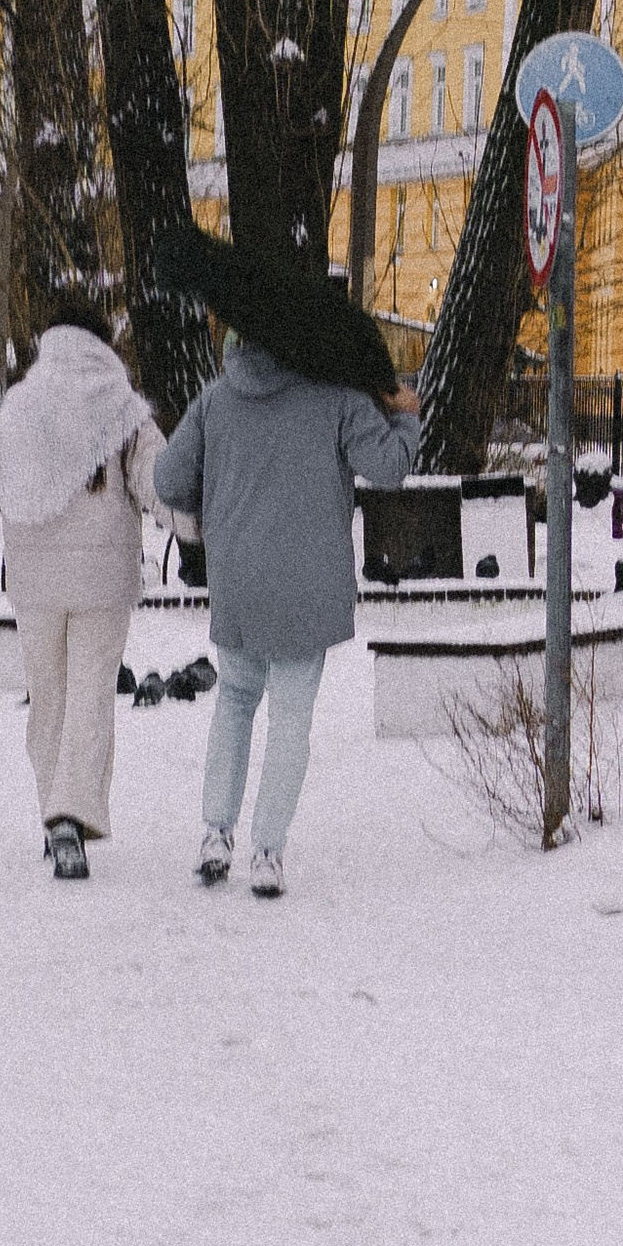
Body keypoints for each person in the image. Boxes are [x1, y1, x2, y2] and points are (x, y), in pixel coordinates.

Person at [153, 298, 418, 899]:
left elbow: (167, 481)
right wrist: (404, 415)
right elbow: (389, 468)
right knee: (291, 718)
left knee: (235, 703)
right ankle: (267, 851)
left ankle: (215, 833)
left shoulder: (214, 402)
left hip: (238, 579)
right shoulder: (338, 399)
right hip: (308, 585)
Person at [0, 298, 162, 881]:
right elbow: (158, 482)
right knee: (91, 695)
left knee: (49, 697)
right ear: (103, 344)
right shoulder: (124, 411)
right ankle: (71, 811)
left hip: (35, 584)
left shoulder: (23, 408)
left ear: (49, 341)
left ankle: (58, 820)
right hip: (105, 582)